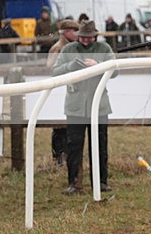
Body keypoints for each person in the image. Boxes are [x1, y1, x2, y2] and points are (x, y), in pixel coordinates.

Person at [51, 20, 115, 194]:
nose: (86, 40)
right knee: (74, 147)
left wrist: (99, 66)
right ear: (78, 36)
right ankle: (73, 182)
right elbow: (55, 71)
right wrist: (71, 66)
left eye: (89, 37)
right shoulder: (68, 50)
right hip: (75, 107)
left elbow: (115, 71)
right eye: (83, 37)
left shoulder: (104, 49)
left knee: (100, 146)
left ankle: (100, 181)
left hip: (99, 106)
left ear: (95, 36)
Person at [46, 18, 80, 167]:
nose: (78, 34)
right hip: (59, 91)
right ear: (66, 32)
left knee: (68, 128)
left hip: (71, 90)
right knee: (59, 128)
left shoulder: (74, 47)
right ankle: (58, 158)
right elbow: (50, 67)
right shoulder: (57, 48)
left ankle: (66, 157)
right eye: (75, 31)